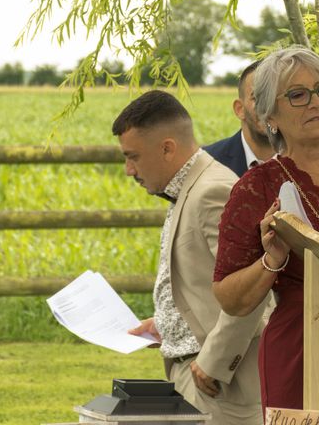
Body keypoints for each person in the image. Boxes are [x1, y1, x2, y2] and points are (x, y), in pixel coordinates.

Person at [212, 46, 319, 424]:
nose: (316, 103)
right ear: (269, 116)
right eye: (298, 95)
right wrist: (273, 258)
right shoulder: (257, 187)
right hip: (303, 351)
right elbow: (229, 298)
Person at [112, 90, 267, 425]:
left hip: (218, 386)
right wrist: (165, 324)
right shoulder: (189, 187)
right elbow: (200, 280)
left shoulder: (213, 191)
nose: (128, 170)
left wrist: (214, 360)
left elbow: (253, 291)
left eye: (133, 156)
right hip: (193, 376)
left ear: (167, 148)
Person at [204, 60, 274, 176]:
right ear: (239, 109)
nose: (269, 106)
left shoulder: (308, 159)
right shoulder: (209, 163)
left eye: (274, 96)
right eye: (258, 97)